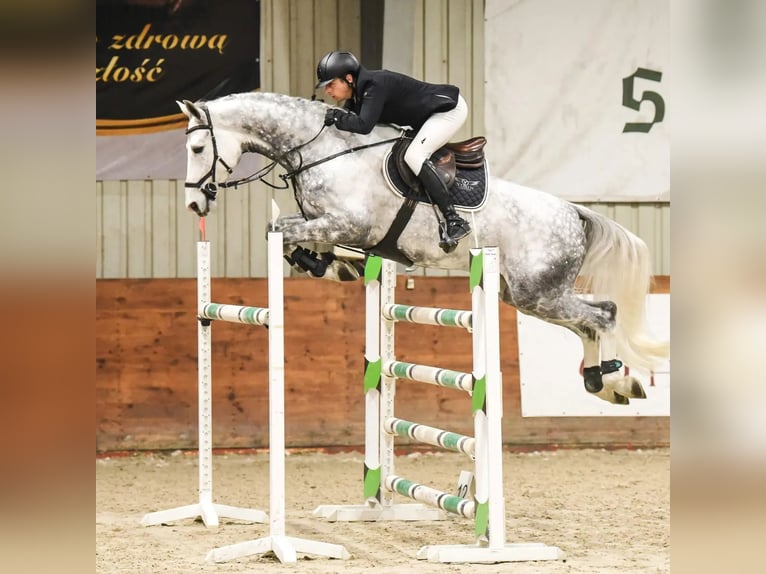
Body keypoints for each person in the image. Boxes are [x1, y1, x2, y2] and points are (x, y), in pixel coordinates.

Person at [315, 50, 471, 251]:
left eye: (330, 84)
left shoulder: (374, 86)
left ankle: (454, 220)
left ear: (349, 78)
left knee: (414, 156)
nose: (327, 90)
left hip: (448, 111)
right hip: (425, 118)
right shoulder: (358, 95)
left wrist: (336, 117)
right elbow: (350, 121)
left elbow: (363, 125)